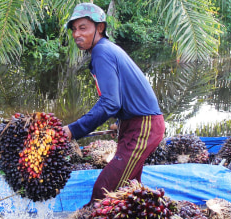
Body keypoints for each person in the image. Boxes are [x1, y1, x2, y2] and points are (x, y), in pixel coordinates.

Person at [62, 2, 165, 204]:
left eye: (83, 28)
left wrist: (73, 130)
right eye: (74, 29)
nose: (76, 34)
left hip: (144, 126)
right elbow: (124, 95)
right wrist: (121, 122)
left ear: (99, 28)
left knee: (104, 192)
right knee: (129, 193)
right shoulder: (106, 50)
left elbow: (110, 103)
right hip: (135, 124)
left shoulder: (102, 51)